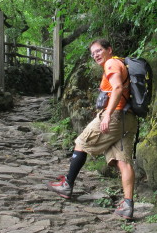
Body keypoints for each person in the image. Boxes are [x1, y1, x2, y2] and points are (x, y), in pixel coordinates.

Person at [48, 39, 138, 219]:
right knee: (123, 161)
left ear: (109, 50)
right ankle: (127, 205)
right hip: (128, 119)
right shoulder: (121, 63)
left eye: (98, 51)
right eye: (93, 53)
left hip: (115, 116)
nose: (95, 55)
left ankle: (67, 184)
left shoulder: (112, 63)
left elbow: (118, 87)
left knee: (81, 142)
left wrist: (106, 115)